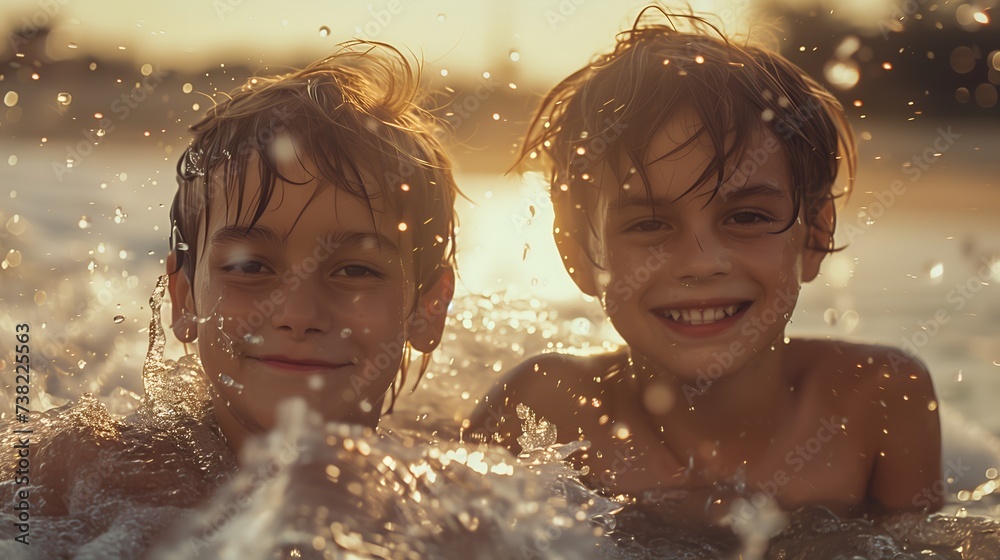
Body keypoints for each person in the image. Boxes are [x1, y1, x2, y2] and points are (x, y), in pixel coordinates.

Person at [470, 8, 941, 526]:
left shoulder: (876, 400)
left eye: (746, 216)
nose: (699, 261)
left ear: (815, 234)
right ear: (578, 253)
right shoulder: (545, 409)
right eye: (649, 225)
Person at [166, 40, 459, 455]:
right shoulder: (85, 474)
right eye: (250, 267)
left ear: (430, 309)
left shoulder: (458, 505)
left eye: (355, 271)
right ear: (184, 300)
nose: (298, 315)